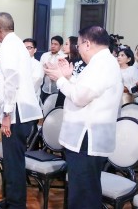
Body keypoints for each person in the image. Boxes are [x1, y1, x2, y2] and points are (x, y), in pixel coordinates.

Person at [44, 26, 123, 209]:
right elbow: (83, 91)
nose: (77, 49)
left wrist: (60, 80)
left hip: (87, 139)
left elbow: (80, 97)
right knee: (85, 191)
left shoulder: (102, 64)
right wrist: (70, 78)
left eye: (78, 45)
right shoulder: (100, 63)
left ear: (87, 44)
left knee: (83, 195)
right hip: (86, 137)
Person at [0, 12, 43, 209]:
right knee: (12, 161)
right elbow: (6, 81)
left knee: (14, 162)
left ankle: (16, 205)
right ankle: (11, 200)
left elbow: (11, 83)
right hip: (22, 112)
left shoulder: (7, 47)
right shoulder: (17, 45)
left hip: (17, 114)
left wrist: (6, 115)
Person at [55, 36, 86, 107]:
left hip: (72, 93)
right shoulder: (64, 60)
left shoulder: (80, 62)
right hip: (62, 91)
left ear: (74, 46)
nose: (64, 46)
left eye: (66, 44)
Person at [40, 35, 64, 103]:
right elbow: (40, 70)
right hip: (45, 89)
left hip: (58, 91)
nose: (53, 46)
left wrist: (48, 69)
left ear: (61, 46)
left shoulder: (64, 57)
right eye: (52, 44)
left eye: (56, 44)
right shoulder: (45, 55)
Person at [23, 38, 44, 104]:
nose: (25, 50)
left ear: (35, 50)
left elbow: (34, 84)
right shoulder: (17, 63)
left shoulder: (37, 65)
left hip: (30, 100)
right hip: (16, 100)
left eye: (29, 48)